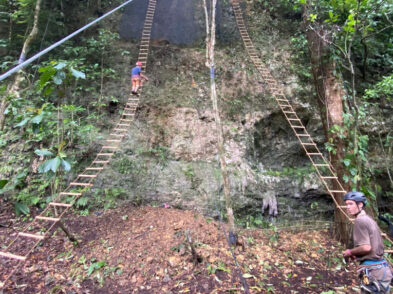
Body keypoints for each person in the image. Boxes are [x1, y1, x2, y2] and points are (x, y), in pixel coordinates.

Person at [342, 191, 393, 293]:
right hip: (381, 271)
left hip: (374, 273)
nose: (347, 207)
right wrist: (356, 253)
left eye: (351, 204)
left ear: (360, 204)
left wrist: (349, 252)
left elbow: (366, 247)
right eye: (346, 204)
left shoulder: (360, 221)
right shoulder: (369, 219)